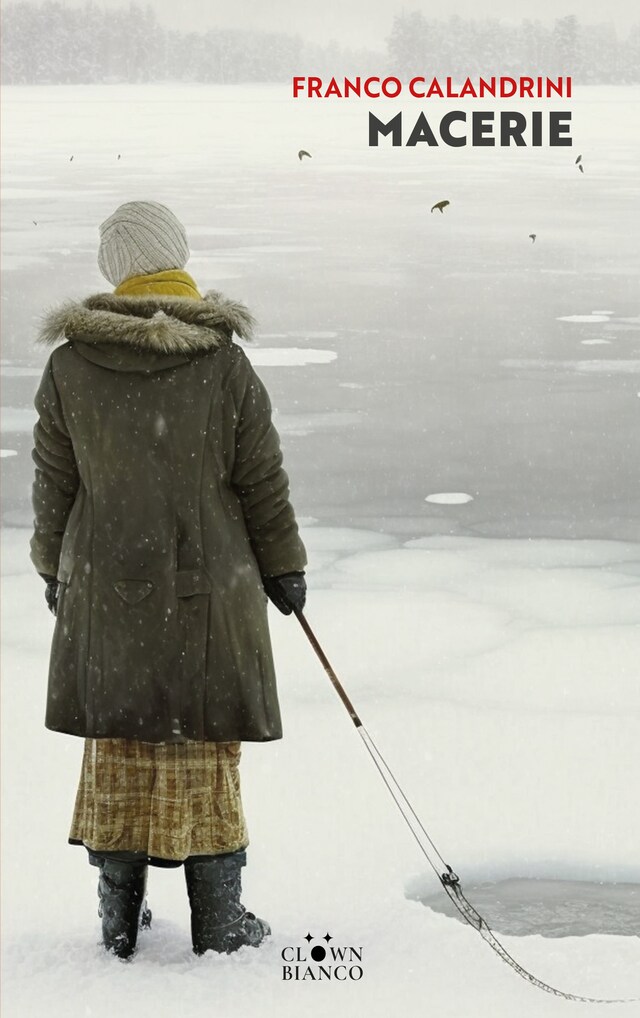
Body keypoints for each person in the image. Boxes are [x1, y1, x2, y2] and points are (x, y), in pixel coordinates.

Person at [30, 200, 308, 960]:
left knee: (118, 745)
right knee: (201, 744)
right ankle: (220, 920)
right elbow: (261, 480)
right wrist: (283, 565)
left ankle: (117, 921)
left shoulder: (69, 366)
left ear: (114, 273)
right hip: (205, 594)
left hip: (104, 590)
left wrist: (55, 568)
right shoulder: (221, 363)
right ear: (177, 256)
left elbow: (55, 485)